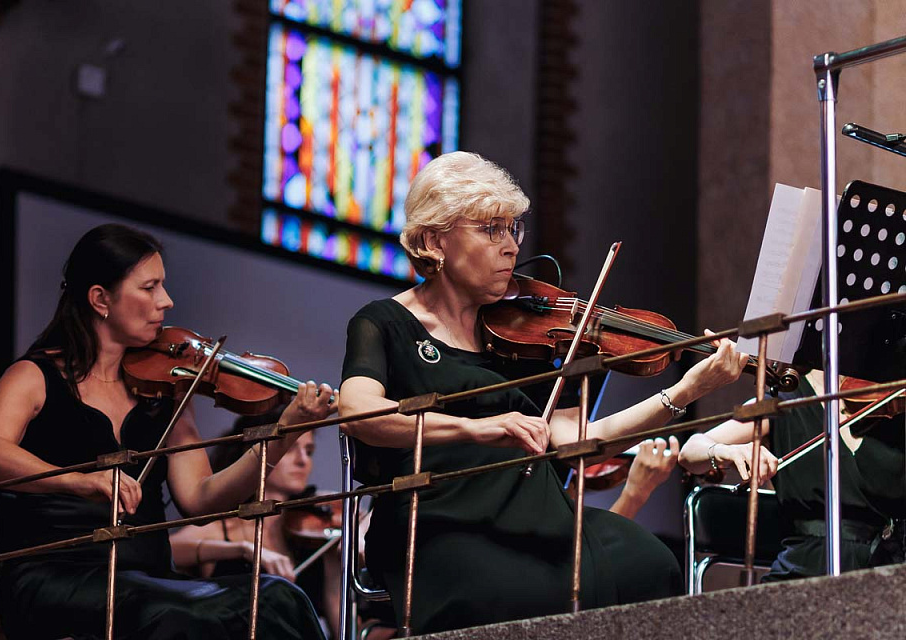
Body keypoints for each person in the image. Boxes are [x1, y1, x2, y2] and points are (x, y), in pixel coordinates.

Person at [337, 151, 747, 634]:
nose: (511, 246)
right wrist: (477, 428)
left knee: (652, 562)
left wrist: (681, 392)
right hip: (440, 515)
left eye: (513, 230)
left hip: (536, 510)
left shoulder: (524, 335)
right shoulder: (384, 323)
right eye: (491, 230)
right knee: (518, 592)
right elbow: (357, 412)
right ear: (434, 240)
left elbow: (579, 441)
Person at [0, 224, 337, 640]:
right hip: (53, 574)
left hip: (148, 578)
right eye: (150, 287)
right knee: (174, 614)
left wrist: (285, 432)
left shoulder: (167, 390)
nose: (167, 300)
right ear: (100, 299)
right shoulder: (34, 376)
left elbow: (201, 499)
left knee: (279, 599)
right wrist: (80, 481)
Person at [678, 369, 906, 581]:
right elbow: (691, 450)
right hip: (808, 568)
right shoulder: (777, 403)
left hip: (889, 568)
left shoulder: (890, 403)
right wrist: (724, 451)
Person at [170, 427, 344, 637]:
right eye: (290, 449)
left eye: (309, 451)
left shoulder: (314, 534)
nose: (303, 460)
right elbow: (168, 549)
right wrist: (242, 550)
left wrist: (336, 567)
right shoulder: (223, 528)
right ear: (257, 453)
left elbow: (340, 630)